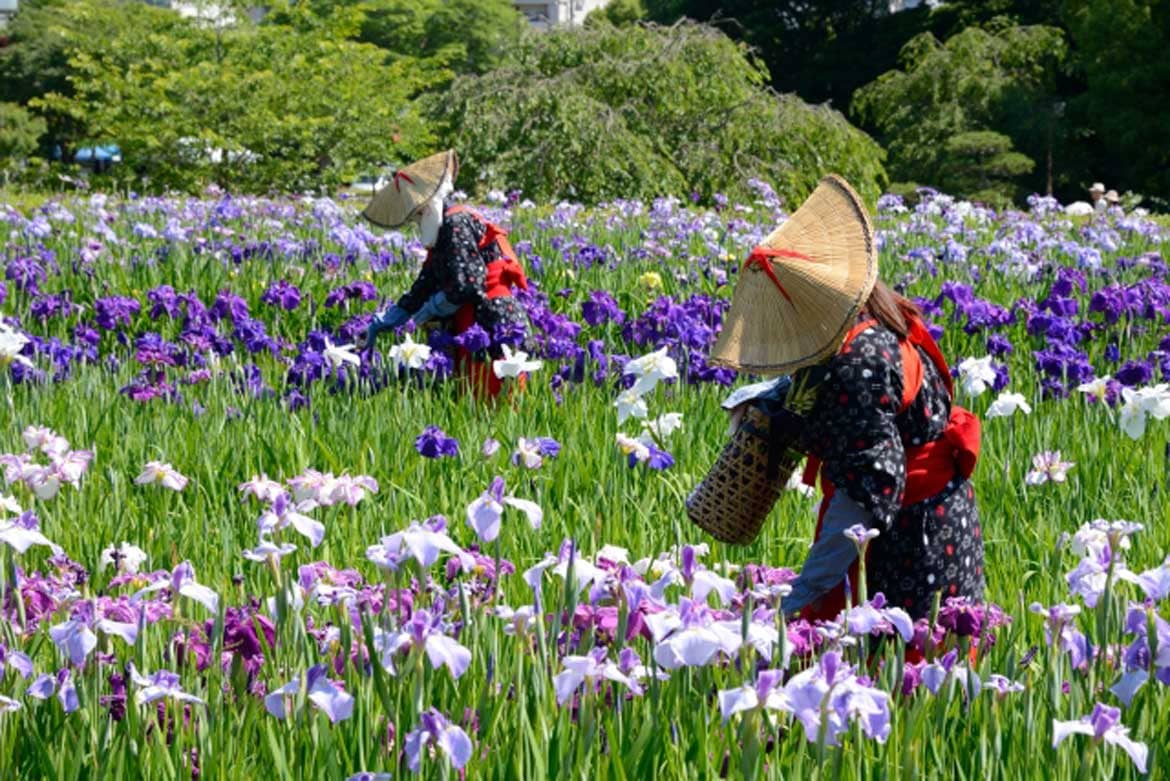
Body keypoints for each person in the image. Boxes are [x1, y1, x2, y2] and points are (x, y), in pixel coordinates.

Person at [709, 175, 985, 621]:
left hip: (912, 542)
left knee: (897, 675)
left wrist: (797, 601)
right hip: (926, 518)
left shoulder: (860, 360)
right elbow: (827, 395)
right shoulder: (872, 319)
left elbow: (866, 491)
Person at [358, 150, 531, 398]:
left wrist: (427, 311)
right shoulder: (443, 229)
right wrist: (386, 320)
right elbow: (426, 283)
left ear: (428, 205)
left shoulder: (456, 223)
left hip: (490, 319)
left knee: (494, 395)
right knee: (471, 395)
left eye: (417, 214)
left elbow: (467, 285)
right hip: (471, 319)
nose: (416, 221)